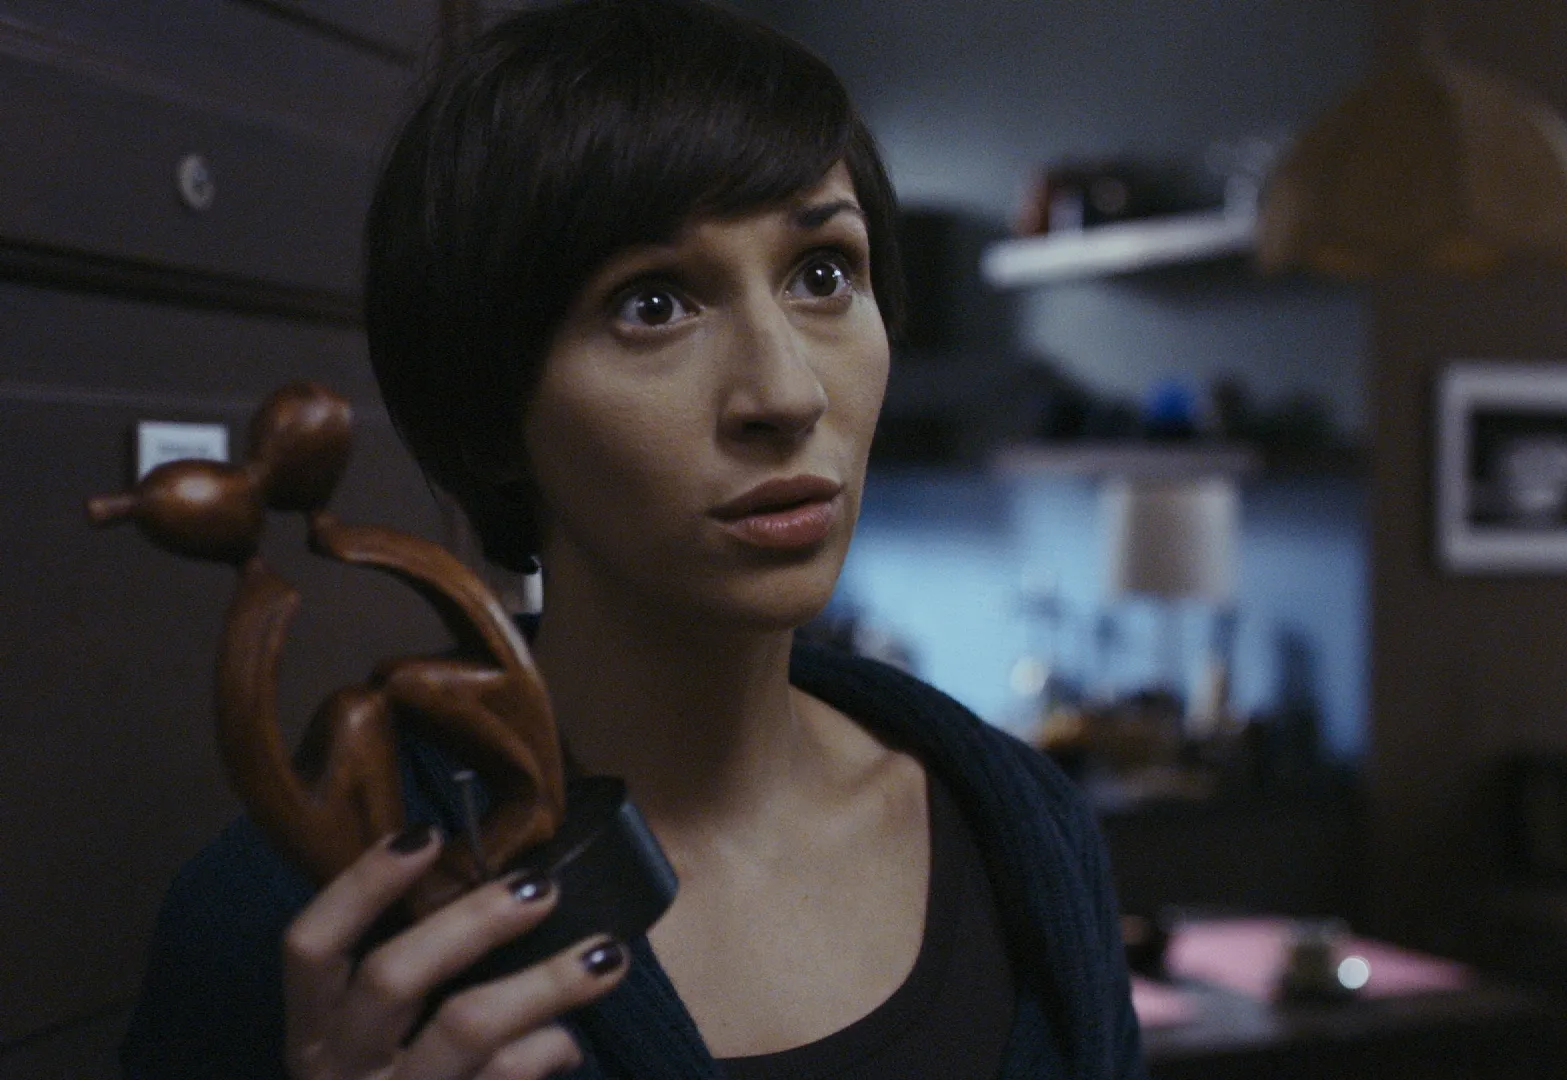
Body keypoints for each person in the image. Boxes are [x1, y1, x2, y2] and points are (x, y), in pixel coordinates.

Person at [119, 1, 1146, 1077]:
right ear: (490, 405)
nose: (786, 392)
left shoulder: (1019, 827)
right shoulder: (297, 918)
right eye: (653, 303)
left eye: (824, 275)